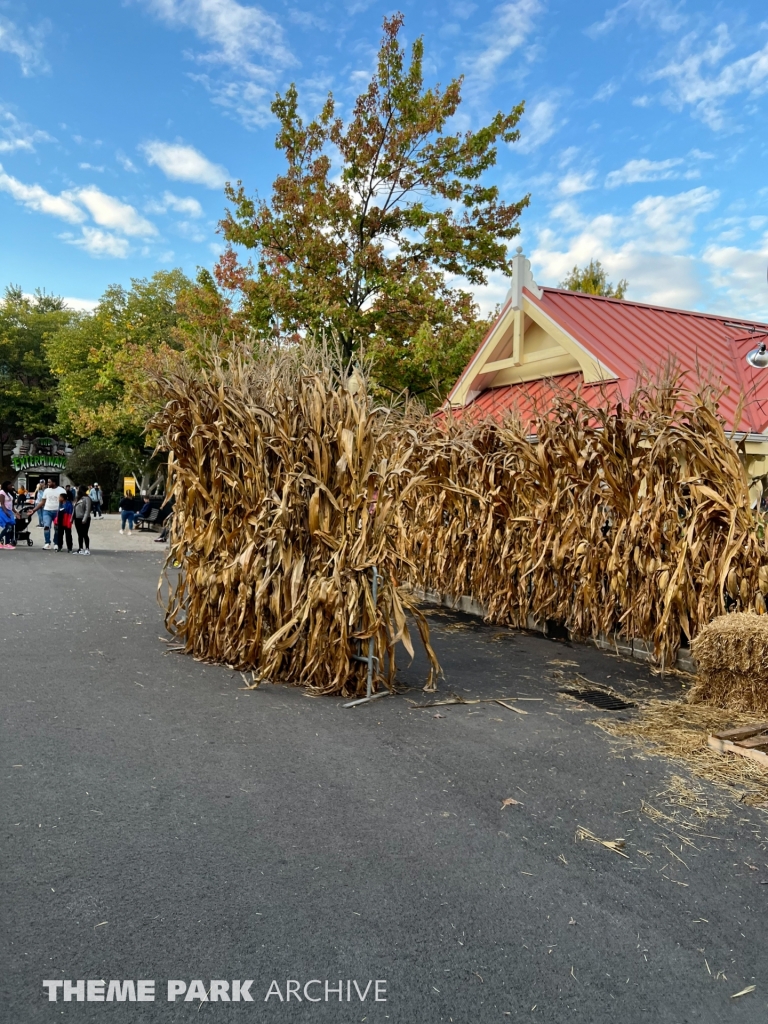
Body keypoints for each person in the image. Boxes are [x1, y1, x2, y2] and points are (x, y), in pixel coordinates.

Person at [32, 478, 66, 550]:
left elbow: (65, 502)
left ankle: (56, 543)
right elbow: (42, 502)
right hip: (47, 511)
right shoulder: (46, 491)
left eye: (49, 482)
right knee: (46, 526)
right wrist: (34, 510)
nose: (48, 484)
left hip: (57, 512)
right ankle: (47, 543)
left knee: (57, 528)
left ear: (54, 482)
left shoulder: (62, 490)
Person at [74, 485, 92, 555]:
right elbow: (74, 509)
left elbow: (87, 510)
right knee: (79, 534)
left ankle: (87, 548)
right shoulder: (77, 498)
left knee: (85, 534)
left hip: (84, 518)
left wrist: (84, 519)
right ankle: (80, 548)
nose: (77, 490)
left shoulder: (86, 498)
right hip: (77, 518)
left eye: (78, 489)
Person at [0, 481, 15, 549]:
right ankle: (4, 541)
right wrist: (6, 513)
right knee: (8, 527)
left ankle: (7, 543)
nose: (11, 487)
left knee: (10, 528)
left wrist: (16, 512)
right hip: (4, 511)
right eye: (10, 486)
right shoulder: (2, 492)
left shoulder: (8, 493)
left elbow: (11, 505)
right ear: (6, 486)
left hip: (9, 511)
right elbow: (2, 504)